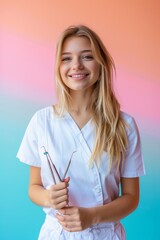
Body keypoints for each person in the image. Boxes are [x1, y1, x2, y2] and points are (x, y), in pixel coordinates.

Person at [17, 25, 145, 240]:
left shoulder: (124, 125)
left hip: (105, 234)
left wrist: (92, 216)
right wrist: (49, 197)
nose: (76, 65)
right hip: (57, 234)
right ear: (58, 66)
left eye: (87, 57)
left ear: (101, 63)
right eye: (66, 58)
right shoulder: (42, 121)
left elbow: (131, 197)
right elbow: (33, 188)